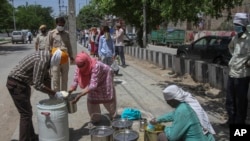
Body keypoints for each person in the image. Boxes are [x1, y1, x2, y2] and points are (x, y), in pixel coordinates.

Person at [6, 49, 68, 141]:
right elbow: (37, 84)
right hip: (16, 84)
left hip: (22, 84)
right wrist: (55, 94)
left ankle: (31, 137)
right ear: (57, 59)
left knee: (27, 112)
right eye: (59, 63)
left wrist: (51, 95)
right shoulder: (42, 60)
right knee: (25, 114)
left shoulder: (47, 58)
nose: (58, 65)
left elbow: (46, 79)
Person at [150, 85, 215, 141]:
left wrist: (160, 127)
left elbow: (173, 137)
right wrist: (158, 119)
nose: (168, 104)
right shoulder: (186, 104)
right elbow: (173, 114)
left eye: (167, 102)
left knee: (161, 135)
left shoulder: (182, 110)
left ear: (172, 101)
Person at [68, 52, 117, 124]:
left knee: (107, 98)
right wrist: (68, 92)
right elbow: (75, 80)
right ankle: (95, 118)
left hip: (105, 78)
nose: (80, 68)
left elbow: (93, 85)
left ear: (86, 62)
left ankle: (114, 116)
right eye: (79, 66)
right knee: (92, 99)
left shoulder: (96, 66)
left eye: (82, 66)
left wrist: (80, 95)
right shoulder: (79, 67)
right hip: (93, 81)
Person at [224, 13, 250, 125]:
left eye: (237, 25)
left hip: (242, 75)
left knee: (241, 102)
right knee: (230, 100)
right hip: (232, 73)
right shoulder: (235, 37)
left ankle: (240, 126)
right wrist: (234, 59)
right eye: (235, 24)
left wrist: (247, 62)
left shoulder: (248, 39)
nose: (236, 27)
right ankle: (231, 121)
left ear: (243, 25)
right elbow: (230, 48)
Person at [48, 16, 74, 91]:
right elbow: (48, 46)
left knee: (65, 78)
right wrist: (48, 59)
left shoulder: (66, 34)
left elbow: (69, 45)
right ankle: (57, 95)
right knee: (55, 78)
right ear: (56, 24)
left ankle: (64, 95)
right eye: (60, 25)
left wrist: (71, 56)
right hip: (55, 60)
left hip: (65, 60)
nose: (61, 26)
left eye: (62, 25)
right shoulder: (51, 33)